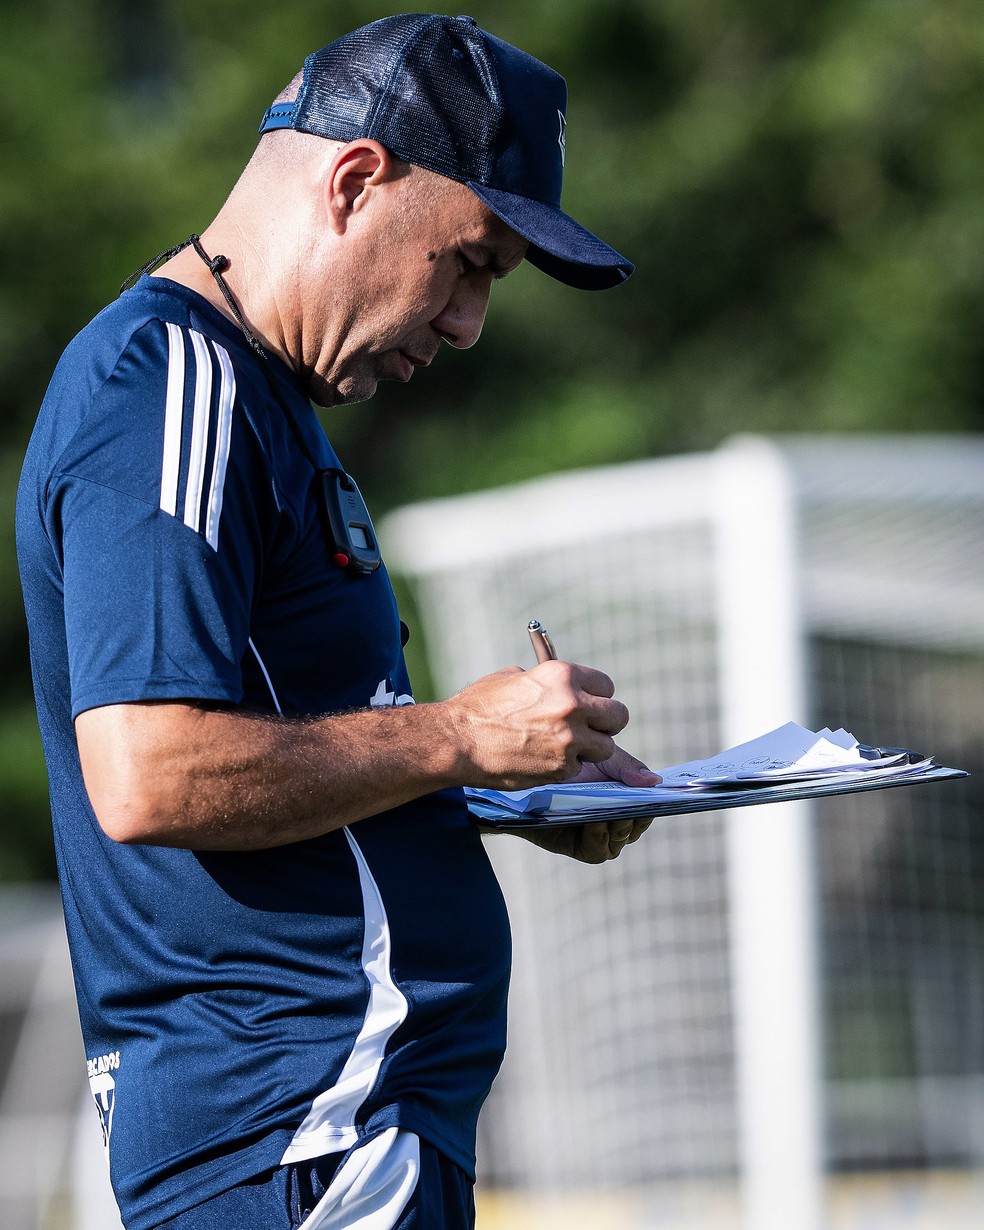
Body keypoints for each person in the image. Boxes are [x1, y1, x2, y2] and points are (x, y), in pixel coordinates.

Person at [16, 14, 656, 1230]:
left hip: (332, 1135)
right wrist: (457, 736)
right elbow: (150, 772)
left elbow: (271, 757)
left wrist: (508, 783)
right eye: (470, 262)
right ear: (357, 180)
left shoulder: (250, 393)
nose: (469, 322)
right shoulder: (171, 386)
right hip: (306, 1133)